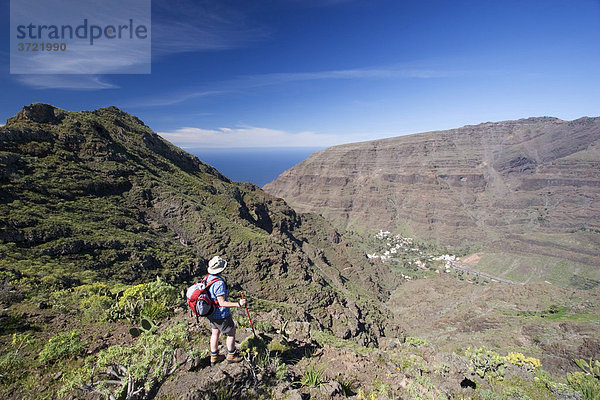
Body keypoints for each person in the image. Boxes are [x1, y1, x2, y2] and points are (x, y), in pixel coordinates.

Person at [205, 255, 246, 365]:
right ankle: (231, 355)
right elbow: (222, 303)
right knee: (231, 332)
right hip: (221, 314)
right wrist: (238, 304)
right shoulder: (219, 283)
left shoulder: (207, 278)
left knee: (215, 333)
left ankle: (214, 356)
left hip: (211, 313)